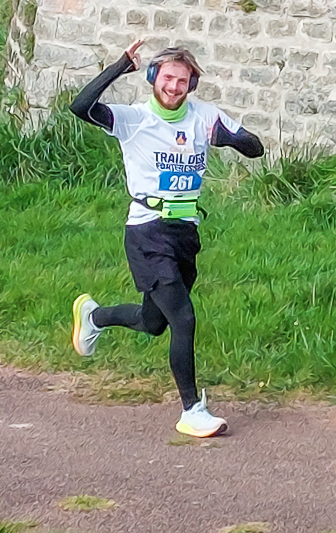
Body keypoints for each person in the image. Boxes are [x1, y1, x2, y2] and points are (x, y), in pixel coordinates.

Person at [69, 40, 265, 437]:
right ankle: (192, 410)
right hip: (147, 230)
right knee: (184, 318)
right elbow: (80, 107)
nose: (174, 87)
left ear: (192, 85)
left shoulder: (204, 116)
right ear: (153, 78)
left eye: (183, 80)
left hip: (185, 232)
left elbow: (255, 148)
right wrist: (120, 66)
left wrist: (229, 138)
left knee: (153, 322)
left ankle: (94, 316)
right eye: (168, 78)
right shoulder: (134, 118)